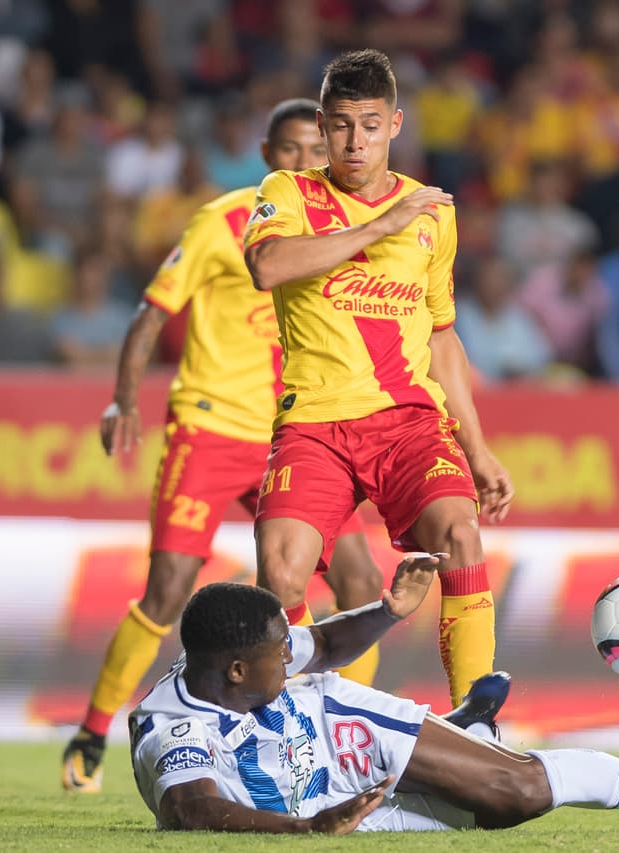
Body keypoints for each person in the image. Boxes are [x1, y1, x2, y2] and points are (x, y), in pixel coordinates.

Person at [61, 99, 386, 793]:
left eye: (315, 149)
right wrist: (124, 396)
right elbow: (152, 313)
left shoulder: (340, 226)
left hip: (293, 436)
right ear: (268, 155)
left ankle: (337, 740)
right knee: (168, 589)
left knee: (360, 583)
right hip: (210, 426)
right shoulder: (223, 221)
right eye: (291, 150)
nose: (305, 162)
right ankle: (91, 734)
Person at [130, 573, 619, 836]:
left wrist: (390, 610)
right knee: (475, 818)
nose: (295, 652)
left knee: (517, 790)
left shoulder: (260, 665)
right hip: (309, 808)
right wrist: (306, 830)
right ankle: (466, 731)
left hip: (331, 731)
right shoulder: (175, 727)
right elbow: (190, 808)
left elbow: (330, 643)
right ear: (239, 668)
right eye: (283, 652)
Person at [243, 49, 511, 712]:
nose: (354, 141)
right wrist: (379, 225)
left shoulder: (432, 213)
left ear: (395, 123)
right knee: (280, 570)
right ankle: (294, 727)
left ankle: (475, 725)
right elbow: (268, 266)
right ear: (324, 128)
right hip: (316, 426)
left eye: (368, 124)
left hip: (408, 424)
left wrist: (476, 447)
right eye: (339, 125)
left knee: (460, 534)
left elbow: (441, 334)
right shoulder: (289, 193)